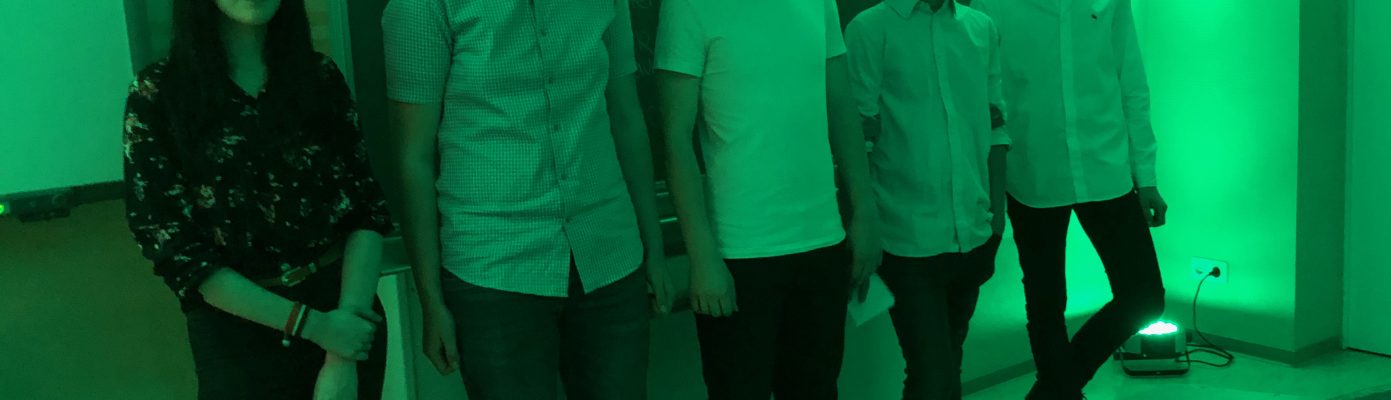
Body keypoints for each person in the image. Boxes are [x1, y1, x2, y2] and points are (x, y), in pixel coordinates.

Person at [382, 0, 672, 398]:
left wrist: (654, 248)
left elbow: (627, 119)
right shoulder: (424, 5)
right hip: (494, 272)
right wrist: (431, 301)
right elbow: (413, 157)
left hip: (610, 256)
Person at [122, 0, 393, 399]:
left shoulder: (320, 77)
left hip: (344, 314)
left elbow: (366, 211)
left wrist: (341, 349)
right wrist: (317, 328)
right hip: (238, 332)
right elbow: (177, 250)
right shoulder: (157, 95)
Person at [654, 0, 881, 398]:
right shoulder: (688, 6)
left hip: (822, 243)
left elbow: (842, 106)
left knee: (817, 390)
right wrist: (703, 257)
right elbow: (675, 138)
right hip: (740, 253)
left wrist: (864, 211)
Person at [969, 0, 1169, 398]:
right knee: (1046, 303)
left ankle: (1052, 393)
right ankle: (1060, 393)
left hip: (1105, 166)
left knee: (1144, 297)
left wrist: (1145, 176)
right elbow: (981, 89)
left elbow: (1130, 80)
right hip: (1032, 170)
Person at [844, 0, 1008, 398]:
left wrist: (997, 219)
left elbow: (996, 125)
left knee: (946, 366)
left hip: (972, 233)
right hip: (905, 238)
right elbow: (856, 137)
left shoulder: (980, 27)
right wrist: (861, 226)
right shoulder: (871, 28)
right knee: (933, 377)